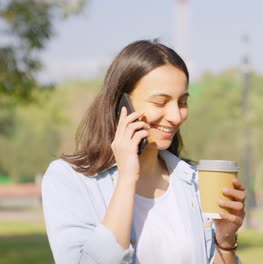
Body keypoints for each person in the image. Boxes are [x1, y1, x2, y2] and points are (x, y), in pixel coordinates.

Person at [41, 39, 246, 264]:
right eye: (160, 102)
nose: (176, 116)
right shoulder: (69, 180)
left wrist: (225, 242)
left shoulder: (195, 183)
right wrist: (127, 178)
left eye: (182, 102)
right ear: (121, 103)